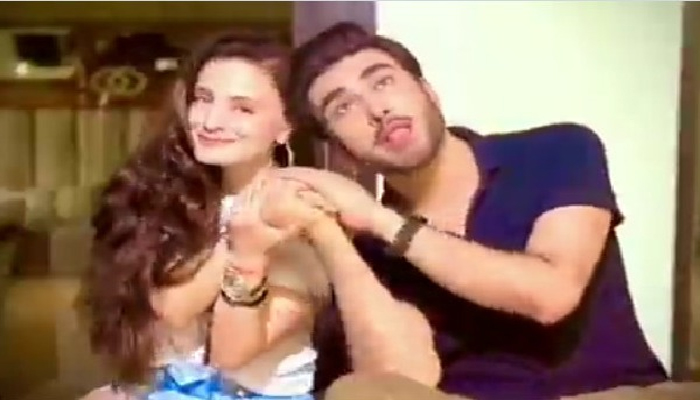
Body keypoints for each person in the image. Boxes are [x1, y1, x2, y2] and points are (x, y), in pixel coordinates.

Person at [276, 22, 700, 400]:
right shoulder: (372, 251)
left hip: (612, 392)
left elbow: (550, 295)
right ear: (343, 155)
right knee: (355, 392)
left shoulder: (557, 150)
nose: (375, 110)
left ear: (427, 91)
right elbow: (402, 379)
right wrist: (327, 229)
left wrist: (383, 221)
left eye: (382, 81)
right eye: (343, 108)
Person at [77, 32, 334, 400]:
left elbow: (211, 340)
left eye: (242, 108)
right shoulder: (189, 195)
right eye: (204, 99)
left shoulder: (298, 209)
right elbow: (160, 316)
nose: (211, 121)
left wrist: (243, 247)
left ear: (286, 125)